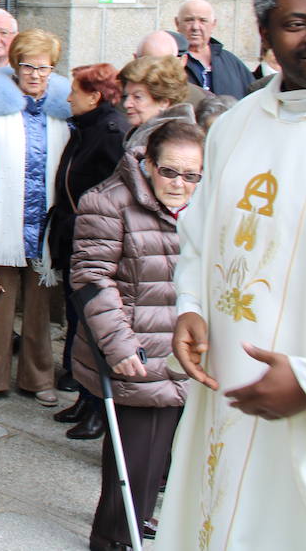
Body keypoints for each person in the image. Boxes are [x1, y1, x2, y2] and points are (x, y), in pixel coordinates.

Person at [159, 0, 306, 549]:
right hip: (227, 394)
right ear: (264, 33)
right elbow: (199, 234)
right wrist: (190, 303)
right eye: (297, 23)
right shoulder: (234, 127)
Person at [72, 121, 202, 551]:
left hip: (188, 358)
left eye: (191, 176)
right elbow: (91, 278)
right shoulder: (107, 202)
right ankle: (114, 539)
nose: (180, 184)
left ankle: (137, 523)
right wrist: (121, 346)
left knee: (167, 464)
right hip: (140, 355)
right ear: (147, 162)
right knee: (136, 466)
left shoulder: (206, 206)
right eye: (170, 172)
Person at [0, 28, 70, 410]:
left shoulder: (63, 113)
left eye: (45, 67)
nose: (36, 75)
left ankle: (39, 376)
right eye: (28, 66)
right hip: (1, 225)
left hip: (46, 227)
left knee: (40, 310)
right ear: (15, 66)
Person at [44, 63, 128, 435]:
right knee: (78, 325)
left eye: (74, 91)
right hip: (74, 238)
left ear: (94, 96)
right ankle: (84, 399)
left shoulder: (109, 133)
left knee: (93, 327)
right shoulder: (86, 126)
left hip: (93, 242)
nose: (67, 97)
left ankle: (98, 410)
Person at [174, 0, 253, 99]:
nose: (195, 27)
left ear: (213, 24)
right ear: (177, 23)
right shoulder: (169, 61)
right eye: (189, 20)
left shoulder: (232, 63)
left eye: (203, 21)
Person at [118, 55, 195, 150]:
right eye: (126, 96)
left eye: (137, 97)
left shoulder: (171, 142)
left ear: (164, 102)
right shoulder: (147, 136)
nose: (127, 104)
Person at [135, 29, 208, 109]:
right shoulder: (122, 96)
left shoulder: (201, 101)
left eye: (164, 64)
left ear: (181, 62)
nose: (156, 72)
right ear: (135, 59)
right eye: (149, 63)